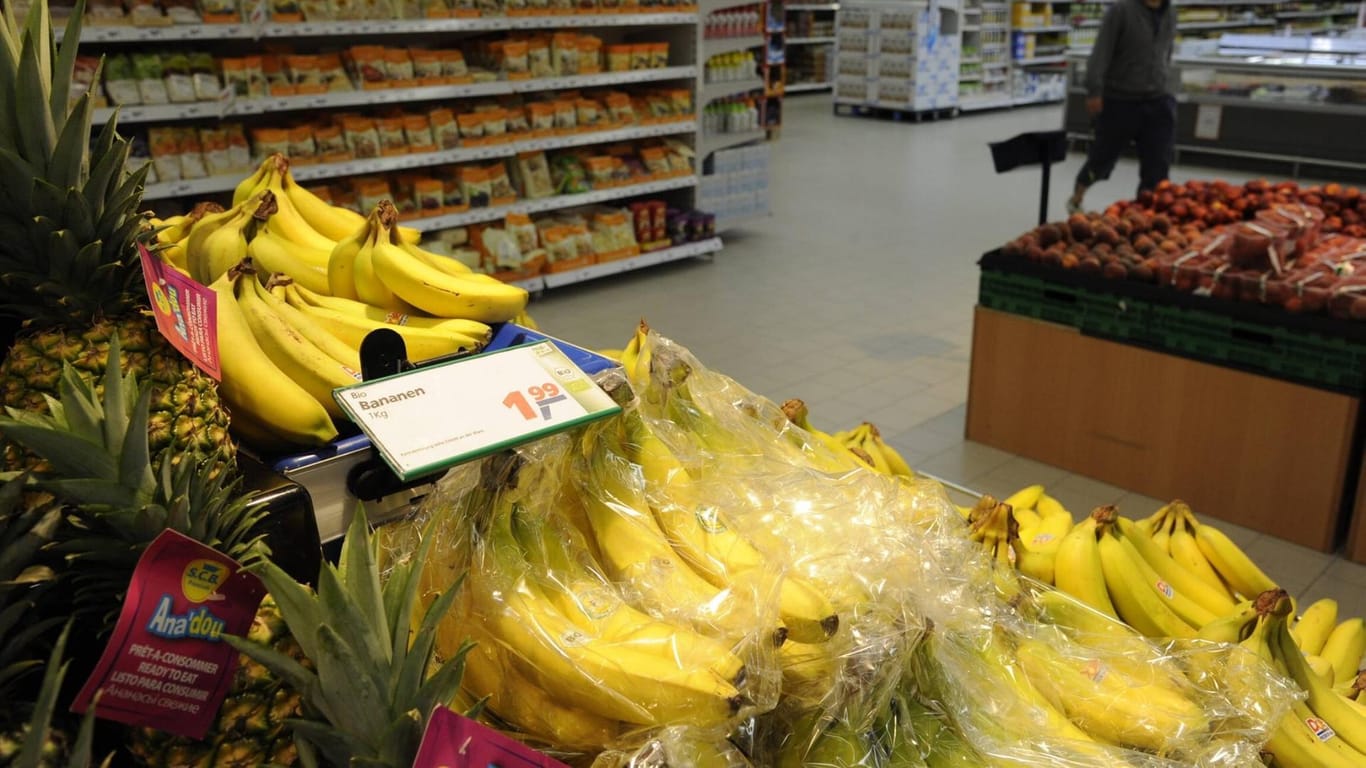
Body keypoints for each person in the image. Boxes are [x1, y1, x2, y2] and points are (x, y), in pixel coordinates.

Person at [1066, 0, 1177, 214]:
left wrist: (1164, 80)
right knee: (1102, 157)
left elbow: (1167, 51)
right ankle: (1077, 197)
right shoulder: (1121, 11)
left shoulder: (1170, 13)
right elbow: (1101, 52)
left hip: (1158, 100)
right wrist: (1095, 90)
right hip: (1120, 99)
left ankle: (1147, 212)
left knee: (1158, 164)